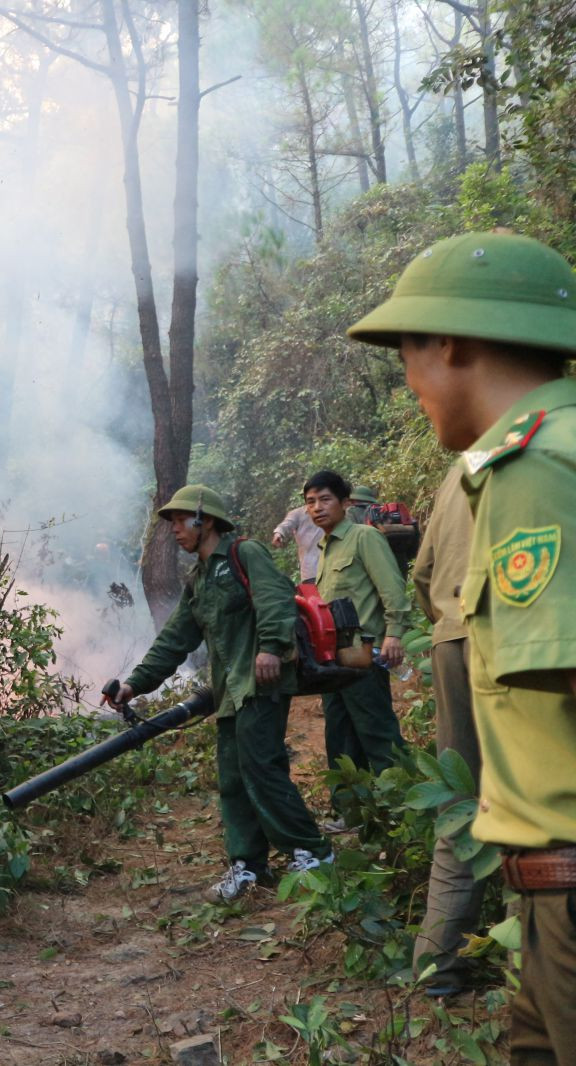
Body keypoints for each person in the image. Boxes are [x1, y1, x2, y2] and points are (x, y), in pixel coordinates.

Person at [347, 230, 576, 1064]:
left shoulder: (534, 468)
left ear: (448, 342)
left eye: (406, 350)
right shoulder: (533, 454)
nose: (408, 382)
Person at [110, 485, 333, 901]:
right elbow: (174, 639)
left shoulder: (245, 554)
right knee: (232, 778)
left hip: (262, 683)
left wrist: (269, 648)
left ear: (205, 519)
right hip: (228, 693)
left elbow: (276, 601)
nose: (174, 530)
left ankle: (313, 853)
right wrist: (133, 684)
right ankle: (248, 867)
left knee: (262, 768)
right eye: (172, 522)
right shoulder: (199, 578)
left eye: (180, 520)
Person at [410, 462, 487, 997]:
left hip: (451, 640)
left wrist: (446, 624)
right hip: (522, 640)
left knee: (461, 800)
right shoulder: (556, 438)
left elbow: (423, 570)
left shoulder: (460, 468)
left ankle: (437, 968)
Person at [304, 469, 410, 828]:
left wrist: (394, 633)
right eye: (310, 502)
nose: (317, 508)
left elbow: (391, 587)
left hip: (364, 657)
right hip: (334, 661)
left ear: (345, 503)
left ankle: (403, 812)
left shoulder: (364, 537)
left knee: (377, 732)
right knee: (340, 738)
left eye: (325, 499)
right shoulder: (323, 548)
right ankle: (353, 814)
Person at [272, 502, 324, 581]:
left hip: (334, 569)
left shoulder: (331, 511)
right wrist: (278, 534)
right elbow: (286, 524)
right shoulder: (298, 514)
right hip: (311, 571)